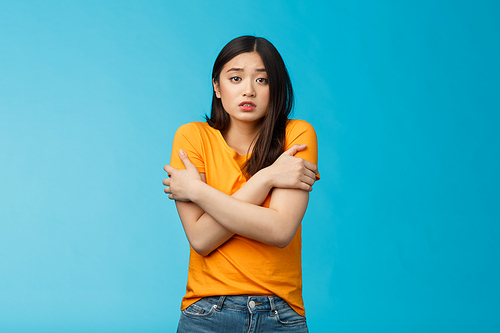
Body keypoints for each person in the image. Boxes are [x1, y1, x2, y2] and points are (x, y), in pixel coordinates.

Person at [163, 35, 319, 333]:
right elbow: (201, 239)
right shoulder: (192, 137)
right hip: (207, 311)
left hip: (280, 313)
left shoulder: (297, 135)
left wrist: (197, 190)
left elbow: (279, 229)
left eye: (262, 80)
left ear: (277, 89)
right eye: (235, 78)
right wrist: (269, 177)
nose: (248, 90)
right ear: (217, 87)